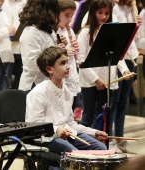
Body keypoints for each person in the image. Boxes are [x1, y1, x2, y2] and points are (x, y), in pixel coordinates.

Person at [26, 46, 108, 157]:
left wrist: (94, 132)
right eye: (62, 63)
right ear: (50, 69)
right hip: (47, 138)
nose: (68, 67)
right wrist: (56, 129)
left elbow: (71, 124)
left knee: (101, 148)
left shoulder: (67, 92)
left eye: (67, 62)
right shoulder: (38, 93)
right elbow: (34, 126)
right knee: (76, 155)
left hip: (68, 134)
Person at [77, 0, 130, 129]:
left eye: (107, 13)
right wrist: (95, 79)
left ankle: (99, 146)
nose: (103, 17)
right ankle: (84, 147)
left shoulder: (111, 31)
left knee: (102, 117)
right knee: (88, 116)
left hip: (107, 80)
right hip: (90, 82)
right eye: (100, 13)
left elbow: (117, 55)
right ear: (92, 12)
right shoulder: (85, 32)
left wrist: (124, 70)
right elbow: (81, 60)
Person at [110, 0, 145, 151]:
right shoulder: (115, 7)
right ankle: (110, 137)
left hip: (131, 54)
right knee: (114, 100)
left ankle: (120, 136)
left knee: (123, 100)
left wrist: (137, 25)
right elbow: (115, 31)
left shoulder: (133, 8)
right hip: (119, 56)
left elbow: (137, 38)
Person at [18, 0, 67, 91]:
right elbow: (31, 64)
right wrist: (55, 52)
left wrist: (60, 47)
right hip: (33, 86)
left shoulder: (48, 29)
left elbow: (50, 50)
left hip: (48, 83)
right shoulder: (31, 32)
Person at [57, 0, 82, 120]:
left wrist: (76, 49)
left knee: (70, 111)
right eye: (66, 15)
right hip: (60, 77)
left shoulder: (69, 31)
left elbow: (75, 52)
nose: (70, 19)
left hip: (71, 72)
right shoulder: (53, 31)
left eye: (72, 16)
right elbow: (51, 55)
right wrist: (65, 52)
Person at [2, 0, 27, 89]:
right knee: (5, 82)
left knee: (21, 81)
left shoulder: (26, 3)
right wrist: (7, 28)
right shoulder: (3, 3)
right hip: (6, 49)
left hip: (22, 48)